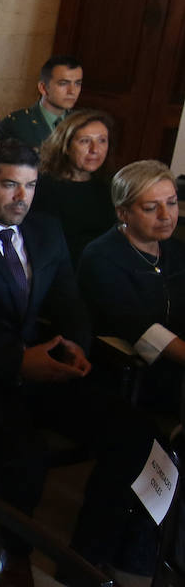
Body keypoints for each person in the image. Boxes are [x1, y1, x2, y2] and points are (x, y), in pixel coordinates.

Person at [0, 139, 150, 587]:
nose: (22, 197)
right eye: (9, 185)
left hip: (39, 369)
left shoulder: (45, 232)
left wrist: (74, 347)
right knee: (28, 450)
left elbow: (70, 304)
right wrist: (16, 362)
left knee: (131, 431)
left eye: (31, 186)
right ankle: (15, 551)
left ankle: (86, 557)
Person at [80, 161, 185, 424]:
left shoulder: (175, 249)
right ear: (123, 213)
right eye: (151, 208)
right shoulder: (101, 256)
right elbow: (139, 327)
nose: (166, 215)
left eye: (171, 203)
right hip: (130, 373)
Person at [31, 109, 115, 265]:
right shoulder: (43, 187)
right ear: (66, 146)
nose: (95, 150)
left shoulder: (109, 186)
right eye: (85, 141)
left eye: (102, 140)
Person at [0, 55, 83, 148]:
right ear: (43, 88)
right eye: (63, 84)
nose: (72, 91)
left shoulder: (82, 123)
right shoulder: (17, 124)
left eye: (77, 84)